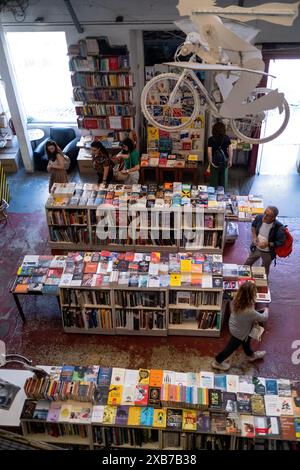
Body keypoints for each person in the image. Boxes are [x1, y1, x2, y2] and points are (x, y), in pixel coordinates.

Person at [212, 281, 269, 371]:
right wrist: (266, 310)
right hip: (240, 332)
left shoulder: (236, 299)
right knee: (231, 348)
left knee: (246, 343)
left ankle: (251, 355)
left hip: (235, 325)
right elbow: (264, 318)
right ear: (251, 295)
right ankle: (217, 362)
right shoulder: (249, 311)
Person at [244, 206, 286, 276]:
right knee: (247, 264)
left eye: (268, 215)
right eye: (265, 213)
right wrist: (254, 237)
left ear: (273, 217)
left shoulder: (279, 228)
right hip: (256, 248)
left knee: (264, 269)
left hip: (268, 253)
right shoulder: (259, 218)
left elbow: (280, 242)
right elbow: (253, 226)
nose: (265, 216)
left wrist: (268, 244)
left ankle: (263, 283)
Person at [207, 121, 233, 191]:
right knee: (224, 177)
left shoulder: (211, 139)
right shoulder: (227, 138)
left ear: (213, 130)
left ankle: (212, 192)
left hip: (214, 161)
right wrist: (230, 160)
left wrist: (210, 162)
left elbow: (209, 152)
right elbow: (230, 149)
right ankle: (223, 193)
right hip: (224, 161)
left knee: (213, 178)